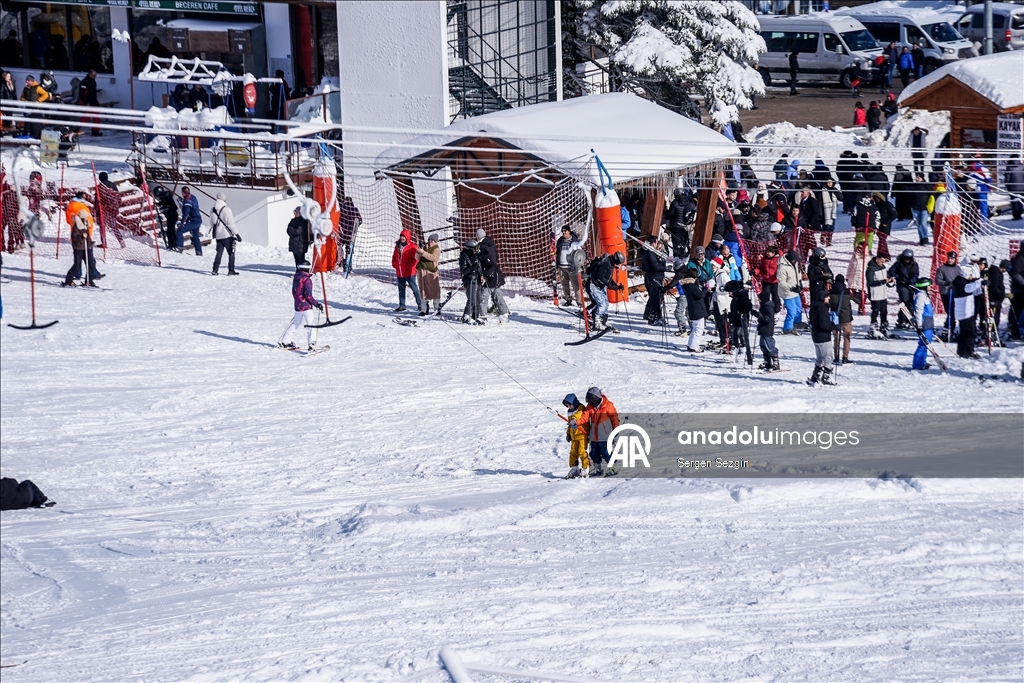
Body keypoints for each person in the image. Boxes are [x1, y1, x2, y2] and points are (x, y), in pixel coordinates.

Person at [278, 260, 322, 352]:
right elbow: (308, 295)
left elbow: (294, 292)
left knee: (295, 323)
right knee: (311, 325)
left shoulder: (296, 278)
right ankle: (311, 345)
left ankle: (285, 342)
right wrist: (317, 304)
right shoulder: (307, 279)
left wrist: (298, 301)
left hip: (298, 305)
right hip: (306, 307)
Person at [65, 191, 102, 281]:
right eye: (84, 197)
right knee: (87, 258)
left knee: (80, 258)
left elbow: (69, 220)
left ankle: (84, 274)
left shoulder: (71, 206)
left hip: (79, 237)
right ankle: (91, 274)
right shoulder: (80, 207)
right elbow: (85, 221)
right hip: (83, 237)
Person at [583, 386, 619, 477]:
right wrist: (576, 422)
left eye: (591, 401)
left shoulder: (608, 405)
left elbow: (614, 418)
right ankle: (597, 468)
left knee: (606, 452)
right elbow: (585, 416)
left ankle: (612, 467)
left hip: (605, 435)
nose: (590, 403)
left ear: (596, 399)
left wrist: (616, 430)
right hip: (594, 435)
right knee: (594, 453)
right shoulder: (590, 406)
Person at [586, 251, 625, 331]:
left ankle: (602, 321)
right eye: (619, 263)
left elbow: (608, 277)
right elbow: (600, 278)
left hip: (600, 286)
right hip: (595, 285)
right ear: (616, 261)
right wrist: (610, 286)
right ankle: (597, 323)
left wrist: (616, 286)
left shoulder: (610, 263)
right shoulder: (606, 263)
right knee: (601, 305)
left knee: (606, 305)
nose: (619, 265)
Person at [476, 228, 509, 322]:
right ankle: (504, 311)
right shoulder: (490, 244)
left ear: (478, 237)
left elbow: (489, 263)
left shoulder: (483, 246)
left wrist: (484, 274)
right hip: (495, 274)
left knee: (484, 295)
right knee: (496, 294)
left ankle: (482, 315)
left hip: (490, 275)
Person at [807, 281, 837, 386]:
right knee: (828, 357)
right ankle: (826, 377)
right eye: (827, 297)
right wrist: (833, 326)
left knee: (820, 358)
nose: (829, 299)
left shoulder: (813, 307)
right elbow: (824, 324)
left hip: (816, 336)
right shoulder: (822, 309)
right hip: (824, 337)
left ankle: (815, 376)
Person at [952, 273, 983, 359]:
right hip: (966, 313)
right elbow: (971, 287)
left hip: (962, 313)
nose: (971, 277)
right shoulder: (963, 285)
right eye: (970, 275)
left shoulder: (959, 283)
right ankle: (968, 351)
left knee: (964, 333)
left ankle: (961, 351)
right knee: (971, 333)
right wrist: (981, 281)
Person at [63, 209, 95, 288]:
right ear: (82, 218)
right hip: (78, 248)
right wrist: (81, 236)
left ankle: (89, 281)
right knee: (77, 265)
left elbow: (87, 235)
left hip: (86, 248)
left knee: (91, 264)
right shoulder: (77, 225)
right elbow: (74, 237)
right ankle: (68, 280)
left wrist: (90, 242)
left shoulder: (85, 224)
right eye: (85, 217)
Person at [391, 229, 421, 313]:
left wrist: (409, 266)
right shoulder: (397, 246)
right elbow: (394, 256)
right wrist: (395, 264)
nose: (402, 238)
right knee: (401, 290)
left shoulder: (412, 246)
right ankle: (402, 305)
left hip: (409, 272)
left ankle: (420, 304)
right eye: (401, 236)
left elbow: (416, 259)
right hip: (400, 272)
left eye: (404, 236)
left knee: (414, 289)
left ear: (407, 237)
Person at [888, 249, 919, 329]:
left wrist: (910, 281)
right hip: (902, 286)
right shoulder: (898, 264)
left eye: (909, 258)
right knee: (905, 302)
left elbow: (916, 275)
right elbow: (890, 271)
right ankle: (902, 320)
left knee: (911, 303)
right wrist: (899, 278)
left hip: (911, 285)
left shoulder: (914, 265)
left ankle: (909, 320)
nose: (907, 260)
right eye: (905, 258)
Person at [935, 250, 962, 340]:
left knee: (954, 312)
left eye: (952, 259)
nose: (950, 260)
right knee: (950, 311)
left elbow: (962, 278)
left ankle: (951, 328)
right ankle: (948, 328)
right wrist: (946, 283)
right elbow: (938, 280)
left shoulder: (958, 269)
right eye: (949, 258)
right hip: (946, 293)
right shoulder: (942, 268)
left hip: (955, 293)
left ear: (955, 259)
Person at [561, 394, 590, 479]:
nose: (569, 407)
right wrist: (568, 433)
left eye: (570, 404)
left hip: (582, 435)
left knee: (582, 451)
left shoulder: (580, 408)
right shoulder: (570, 412)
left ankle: (585, 468)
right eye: (567, 405)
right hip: (574, 436)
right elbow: (570, 425)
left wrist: (574, 419)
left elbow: (578, 415)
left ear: (574, 402)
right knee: (573, 453)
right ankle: (575, 469)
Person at [210, 192, 239, 276]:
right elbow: (230, 223)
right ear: (224, 199)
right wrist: (236, 234)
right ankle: (231, 270)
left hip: (218, 235)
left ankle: (215, 270)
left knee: (219, 253)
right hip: (227, 235)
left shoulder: (213, 209)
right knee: (231, 252)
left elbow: (212, 222)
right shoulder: (226, 209)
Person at [554, 224, 584, 306]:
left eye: (565, 231)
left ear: (569, 231)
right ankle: (568, 300)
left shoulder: (574, 241)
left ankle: (579, 302)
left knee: (575, 285)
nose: (563, 233)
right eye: (562, 231)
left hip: (571, 267)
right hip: (562, 266)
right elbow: (557, 252)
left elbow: (581, 251)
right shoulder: (560, 241)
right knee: (564, 284)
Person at [681, 266, 708, 352]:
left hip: (693, 309)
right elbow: (701, 295)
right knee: (698, 329)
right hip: (697, 309)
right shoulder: (691, 286)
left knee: (695, 328)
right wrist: (705, 289)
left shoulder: (686, 285)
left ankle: (691, 344)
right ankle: (693, 347)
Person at [641, 234, 666, 325]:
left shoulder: (647, 251)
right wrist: (665, 267)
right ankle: (653, 318)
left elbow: (645, 265)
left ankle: (648, 315)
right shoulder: (650, 252)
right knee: (655, 298)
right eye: (656, 243)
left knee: (654, 297)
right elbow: (655, 266)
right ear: (653, 243)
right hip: (654, 278)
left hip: (653, 276)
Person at [911, 277, 935, 370]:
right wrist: (919, 325)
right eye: (929, 285)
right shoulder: (920, 296)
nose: (930, 286)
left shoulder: (924, 294)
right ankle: (918, 364)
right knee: (923, 344)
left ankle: (922, 362)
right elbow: (918, 311)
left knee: (927, 343)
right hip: (924, 323)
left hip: (928, 322)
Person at [662, 187, 694, 257]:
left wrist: (666, 213)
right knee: (683, 241)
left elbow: (670, 214)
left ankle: (677, 256)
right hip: (685, 225)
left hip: (676, 225)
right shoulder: (688, 201)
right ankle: (683, 255)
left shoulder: (674, 203)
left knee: (676, 242)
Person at [753, 289, 780, 372]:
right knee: (763, 346)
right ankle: (767, 361)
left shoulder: (769, 307)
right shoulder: (764, 305)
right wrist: (755, 314)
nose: (759, 300)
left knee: (769, 345)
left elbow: (768, 319)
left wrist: (759, 315)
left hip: (767, 329)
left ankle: (775, 361)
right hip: (762, 328)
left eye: (760, 298)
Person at [866, 253, 892, 339]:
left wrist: (890, 281)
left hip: (883, 294)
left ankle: (884, 327)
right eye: (881, 261)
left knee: (884, 311)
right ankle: (873, 328)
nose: (883, 262)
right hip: (875, 294)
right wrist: (883, 282)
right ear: (877, 259)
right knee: (875, 311)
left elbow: (886, 278)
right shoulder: (870, 269)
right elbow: (871, 282)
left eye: (884, 261)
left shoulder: (883, 267)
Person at [829, 274, 853, 365]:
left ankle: (836, 356)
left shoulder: (830, 291)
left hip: (835, 317)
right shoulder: (846, 292)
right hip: (846, 317)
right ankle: (845, 357)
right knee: (846, 337)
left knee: (836, 338)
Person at [459, 238, 484, 324]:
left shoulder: (476, 255)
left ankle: (477, 315)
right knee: (471, 299)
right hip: (469, 280)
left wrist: (481, 275)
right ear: (470, 248)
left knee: (478, 299)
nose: (477, 250)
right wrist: (471, 269)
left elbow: (479, 266)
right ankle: (466, 315)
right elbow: (463, 271)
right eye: (475, 248)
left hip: (477, 279)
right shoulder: (464, 256)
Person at [778, 249, 803, 335]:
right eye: (794, 259)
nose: (795, 261)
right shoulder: (782, 267)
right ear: (790, 258)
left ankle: (797, 322)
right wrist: (791, 288)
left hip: (795, 290)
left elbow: (796, 274)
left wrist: (799, 282)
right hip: (787, 293)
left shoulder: (794, 263)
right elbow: (781, 282)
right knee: (792, 311)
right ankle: (787, 328)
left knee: (799, 308)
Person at [416, 233, 441, 316]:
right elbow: (417, 258)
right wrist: (418, 252)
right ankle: (424, 309)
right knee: (423, 290)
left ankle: (436, 308)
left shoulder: (436, 249)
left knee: (434, 290)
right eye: (429, 240)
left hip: (431, 272)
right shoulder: (424, 247)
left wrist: (423, 253)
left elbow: (434, 258)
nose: (430, 242)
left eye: (432, 240)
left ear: (435, 241)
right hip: (422, 271)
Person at [175, 186, 203, 255]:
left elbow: (186, 213)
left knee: (180, 230)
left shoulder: (187, 200)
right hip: (198, 219)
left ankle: (179, 247)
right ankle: (199, 252)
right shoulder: (193, 197)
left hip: (193, 221)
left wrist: (182, 223)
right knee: (195, 237)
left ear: (183, 193)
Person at [755, 244, 781, 314]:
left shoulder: (778, 259)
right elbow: (760, 268)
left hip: (775, 281)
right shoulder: (764, 259)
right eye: (767, 252)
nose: (767, 253)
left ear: (773, 253)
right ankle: (764, 309)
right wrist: (755, 272)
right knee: (765, 296)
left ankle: (776, 311)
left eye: (769, 252)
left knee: (775, 296)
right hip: (766, 280)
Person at [338, 196, 362, 269]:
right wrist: (354, 227)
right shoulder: (355, 210)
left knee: (339, 247)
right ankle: (348, 264)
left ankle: (340, 261)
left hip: (342, 232)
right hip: (351, 233)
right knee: (349, 249)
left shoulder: (341, 208)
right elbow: (360, 220)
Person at [908, 172, 931, 246]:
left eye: (918, 177)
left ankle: (925, 238)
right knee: (918, 224)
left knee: (923, 224)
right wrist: (910, 205)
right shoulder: (913, 186)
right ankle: (921, 238)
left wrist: (930, 206)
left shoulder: (927, 186)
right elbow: (909, 197)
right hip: (915, 208)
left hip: (925, 208)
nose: (917, 179)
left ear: (922, 178)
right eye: (916, 177)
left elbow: (932, 196)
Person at [154, 186, 179, 251]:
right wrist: (159, 204)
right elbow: (164, 203)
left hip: (172, 216)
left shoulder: (167, 196)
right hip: (169, 216)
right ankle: (174, 244)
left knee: (170, 231)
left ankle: (172, 245)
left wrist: (165, 208)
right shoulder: (163, 197)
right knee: (171, 230)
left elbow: (174, 207)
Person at [77, 69, 101, 136]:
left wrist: (96, 103)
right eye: (94, 75)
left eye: (96, 75)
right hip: (87, 102)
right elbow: (82, 94)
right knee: (86, 118)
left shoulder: (93, 81)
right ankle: (75, 128)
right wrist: (86, 103)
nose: (95, 76)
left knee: (97, 117)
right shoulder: (84, 82)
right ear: (90, 74)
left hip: (93, 102)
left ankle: (95, 131)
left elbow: (93, 93)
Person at [989, 259, 1008, 341]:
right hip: (994, 299)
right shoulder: (996, 273)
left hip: (998, 300)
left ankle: (993, 334)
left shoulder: (999, 273)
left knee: (996, 318)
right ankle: (992, 334)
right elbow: (994, 288)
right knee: (994, 318)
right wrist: (1003, 294)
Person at [872, 192, 896, 259]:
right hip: (877, 226)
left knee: (882, 240)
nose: (876, 199)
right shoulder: (875, 206)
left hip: (885, 226)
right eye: (875, 198)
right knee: (882, 241)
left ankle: (880, 255)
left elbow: (894, 214)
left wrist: (887, 222)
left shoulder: (887, 205)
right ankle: (886, 255)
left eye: (877, 197)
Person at [1011, 241, 1024, 340]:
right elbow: (1016, 274)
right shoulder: (1019, 259)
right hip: (1019, 291)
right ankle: (1017, 332)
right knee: (1018, 312)